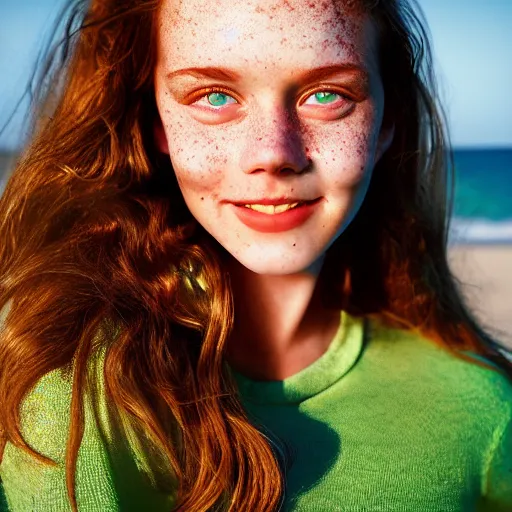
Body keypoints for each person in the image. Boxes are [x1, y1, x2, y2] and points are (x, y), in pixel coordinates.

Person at [0, 0, 511, 510]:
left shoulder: (481, 409)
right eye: (215, 96)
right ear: (155, 121)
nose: (272, 152)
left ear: (385, 124)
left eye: (327, 94)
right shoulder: (63, 374)